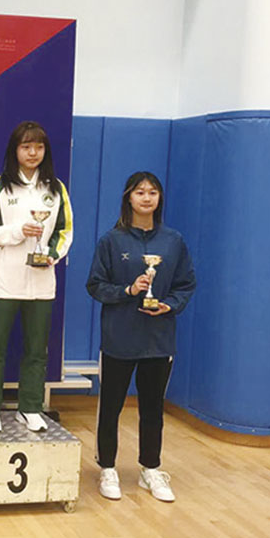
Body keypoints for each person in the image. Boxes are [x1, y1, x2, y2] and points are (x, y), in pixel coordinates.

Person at [86, 171, 196, 502]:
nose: (146, 198)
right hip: (119, 338)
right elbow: (95, 285)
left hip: (159, 340)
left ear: (159, 199)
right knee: (111, 407)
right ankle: (107, 467)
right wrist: (128, 290)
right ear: (128, 198)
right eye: (140, 192)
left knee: (152, 408)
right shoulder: (111, 240)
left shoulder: (173, 241)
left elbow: (186, 283)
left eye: (152, 193)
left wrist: (169, 304)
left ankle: (151, 468)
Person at [0, 121, 73, 433]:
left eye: (39, 147)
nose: (33, 153)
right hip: (4, 280)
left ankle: (30, 407)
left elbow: (64, 231)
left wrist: (52, 255)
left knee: (37, 349)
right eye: (26, 146)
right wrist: (16, 232)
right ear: (14, 150)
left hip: (42, 283)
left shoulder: (56, 189)